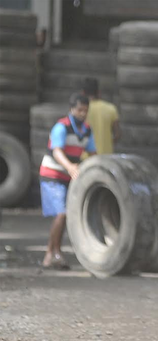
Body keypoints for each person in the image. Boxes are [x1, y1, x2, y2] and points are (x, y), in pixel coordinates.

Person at [39, 93, 96, 269]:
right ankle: (50, 254)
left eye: (85, 110)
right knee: (61, 214)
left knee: (66, 216)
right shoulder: (61, 127)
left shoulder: (86, 130)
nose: (82, 113)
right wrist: (71, 166)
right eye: (79, 110)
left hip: (70, 177)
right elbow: (57, 151)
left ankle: (57, 252)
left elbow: (93, 154)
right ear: (71, 109)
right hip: (53, 174)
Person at [82, 77, 120, 155]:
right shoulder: (111, 108)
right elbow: (117, 134)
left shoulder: (80, 111)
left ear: (83, 93)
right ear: (98, 92)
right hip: (106, 156)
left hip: (85, 157)